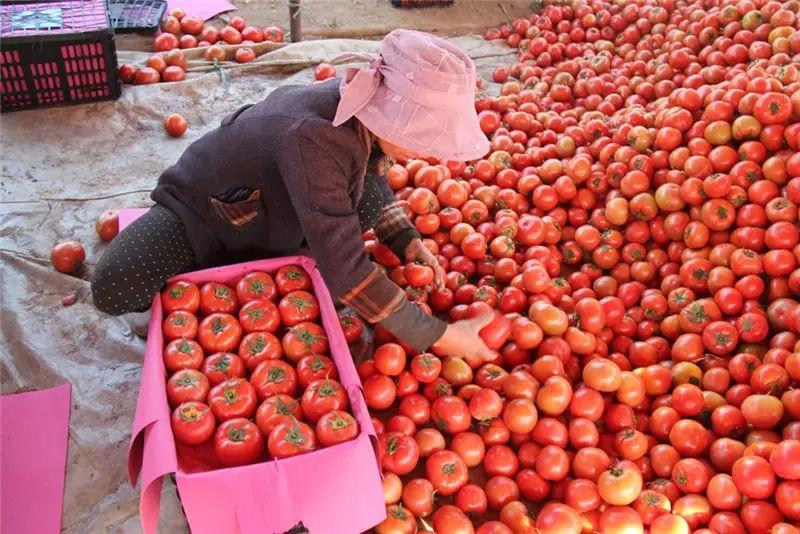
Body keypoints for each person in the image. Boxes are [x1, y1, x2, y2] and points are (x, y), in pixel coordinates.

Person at [91, 29, 494, 361]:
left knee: (371, 202)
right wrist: (437, 335)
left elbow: (370, 173)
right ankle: (225, 268)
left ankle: (270, 256)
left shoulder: (359, 115)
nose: (428, 151)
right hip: (205, 212)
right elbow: (347, 270)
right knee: (114, 285)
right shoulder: (314, 139)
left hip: (280, 205)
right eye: (424, 136)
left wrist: (405, 241)